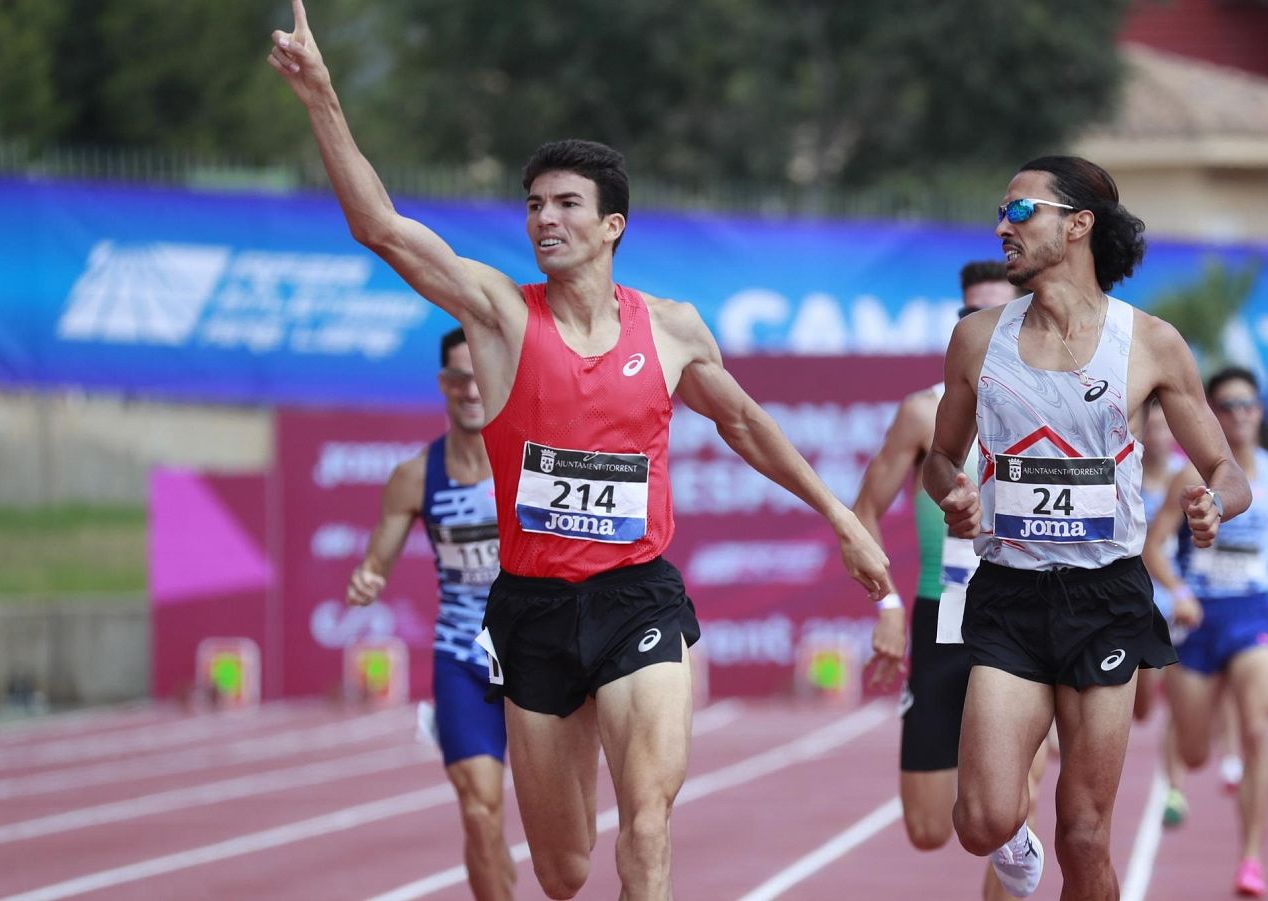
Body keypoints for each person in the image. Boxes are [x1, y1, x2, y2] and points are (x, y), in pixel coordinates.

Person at [269, 8, 891, 898]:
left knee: (647, 814)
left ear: (613, 226)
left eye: (567, 205)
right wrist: (324, 100)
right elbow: (382, 227)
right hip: (532, 609)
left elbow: (746, 423)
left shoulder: (672, 330)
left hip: (636, 590)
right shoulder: (498, 314)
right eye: (533, 205)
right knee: (561, 870)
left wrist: (842, 518)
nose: (545, 220)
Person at [925, 155, 1252, 900]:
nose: (1001, 227)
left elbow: (1229, 472)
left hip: (1105, 601)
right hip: (1009, 595)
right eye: (999, 212)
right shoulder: (978, 339)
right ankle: (1014, 841)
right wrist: (954, 493)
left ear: (1077, 225)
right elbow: (941, 460)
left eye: (1019, 211)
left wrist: (1213, 503)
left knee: (1084, 830)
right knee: (980, 819)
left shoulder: (1150, 343)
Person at [856, 261, 1047, 901]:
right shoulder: (924, 415)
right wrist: (885, 605)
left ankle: (1014, 840)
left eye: (996, 318)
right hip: (945, 612)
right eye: (969, 317)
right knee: (930, 826)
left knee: (1011, 801)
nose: (981, 329)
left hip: (1025, 614)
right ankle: (1010, 836)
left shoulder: (1054, 410)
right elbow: (862, 514)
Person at [346, 328, 514, 900]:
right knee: (480, 811)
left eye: (480, 377)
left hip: (539, 657)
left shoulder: (528, 462)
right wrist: (368, 577)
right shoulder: (416, 477)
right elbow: (376, 560)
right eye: (458, 378)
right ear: (443, 384)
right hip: (462, 658)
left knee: (563, 846)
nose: (471, 390)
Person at [1143, 367, 1268, 898]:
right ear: (1212, 415)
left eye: (1249, 405)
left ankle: (1251, 858)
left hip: (1254, 613)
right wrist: (1179, 592)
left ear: (1261, 413)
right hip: (1199, 620)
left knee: (1256, 726)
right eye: (1228, 406)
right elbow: (1153, 548)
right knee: (1194, 752)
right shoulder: (1188, 476)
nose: (1240, 415)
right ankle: (1200, 761)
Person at [1127, 400, 1193, 828]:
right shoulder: (1124, 471)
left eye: (1165, 426)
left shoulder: (1185, 478)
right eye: (1150, 426)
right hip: (1134, 600)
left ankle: (1174, 788)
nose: (1158, 435)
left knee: (1178, 704)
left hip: (1178, 600)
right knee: (1144, 706)